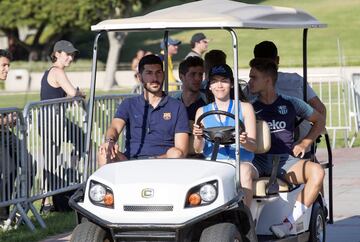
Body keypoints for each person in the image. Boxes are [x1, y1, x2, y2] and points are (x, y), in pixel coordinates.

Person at [248, 58, 325, 238]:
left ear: (267, 80)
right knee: (238, 175)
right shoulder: (249, 107)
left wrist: (305, 143)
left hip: (284, 160)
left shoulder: (291, 103)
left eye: (253, 77)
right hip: (257, 160)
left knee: (317, 172)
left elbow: (319, 119)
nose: (249, 82)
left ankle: (288, 224)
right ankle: (245, 227)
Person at [99, 54, 189, 166]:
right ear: (139, 77)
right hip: (130, 161)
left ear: (164, 75)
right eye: (149, 73)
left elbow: (182, 150)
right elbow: (115, 128)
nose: (154, 78)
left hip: (163, 161)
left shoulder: (177, 106)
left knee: (176, 153)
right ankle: (102, 184)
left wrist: (151, 162)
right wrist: (110, 142)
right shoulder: (129, 104)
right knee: (104, 152)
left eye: (158, 73)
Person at [193, 64, 257, 207]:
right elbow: (198, 149)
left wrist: (244, 141)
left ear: (232, 84)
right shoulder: (202, 111)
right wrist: (198, 136)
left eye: (224, 81)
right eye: (215, 81)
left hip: (241, 162)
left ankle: (245, 219)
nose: (219, 85)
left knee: (244, 170)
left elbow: (253, 146)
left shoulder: (245, 108)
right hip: (213, 162)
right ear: (209, 86)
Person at [253, 41, 326, 157]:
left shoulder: (252, 86)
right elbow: (320, 109)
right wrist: (311, 138)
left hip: (271, 149)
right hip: (297, 148)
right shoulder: (296, 80)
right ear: (277, 60)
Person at [39, 40, 85, 213]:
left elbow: (62, 96)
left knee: (80, 139)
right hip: (50, 121)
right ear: (57, 54)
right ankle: (47, 201)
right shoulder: (57, 71)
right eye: (67, 54)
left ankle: (68, 174)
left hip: (56, 120)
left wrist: (72, 97)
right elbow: (73, 92)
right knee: (51, 161)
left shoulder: (53, 72)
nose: (71, 58)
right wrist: (79, 94)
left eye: (72, 55)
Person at [0, 49, 16, 224]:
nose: (7, 69)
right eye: (3, 65)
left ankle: (11, 210)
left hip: (4, 134)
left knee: (29, 165)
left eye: (8, 65)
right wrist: (6, 120)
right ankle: (3, 215)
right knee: (9, 169)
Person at [174, 56, 207, 121]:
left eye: (200, 74)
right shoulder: (172, 103)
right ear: (181, 77)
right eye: (193, 74)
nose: (198, 78)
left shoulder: (208, 103)